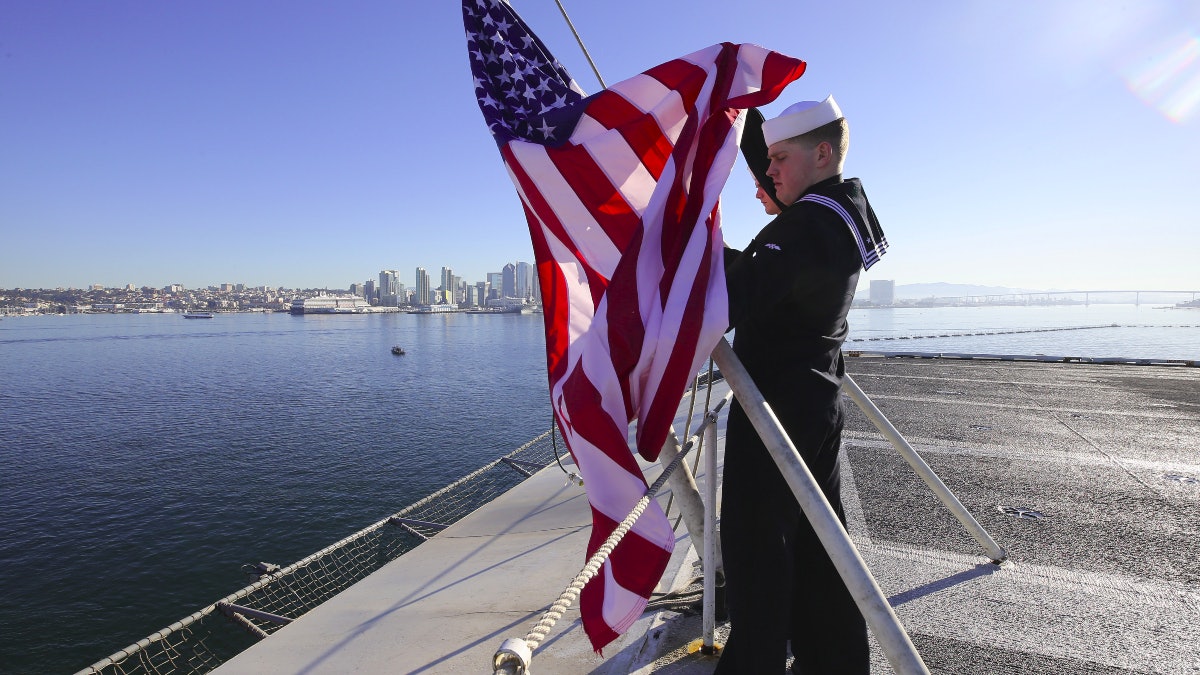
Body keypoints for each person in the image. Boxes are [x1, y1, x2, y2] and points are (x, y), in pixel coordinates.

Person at [717, 96, 888, 674]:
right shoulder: (837, 212)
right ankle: (833, 663)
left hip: (776, 415)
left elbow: (733, 297)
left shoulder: (809, 224)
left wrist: (695, 247)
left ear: (820, 155)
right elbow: (772, 279)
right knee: (821, 552)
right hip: (814, 404)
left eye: (781, 160)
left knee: (755, 554)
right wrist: (736, 106)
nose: (769, 173)